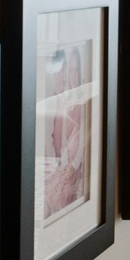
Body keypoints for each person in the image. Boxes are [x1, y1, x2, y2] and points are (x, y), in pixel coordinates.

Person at [44, 47, 87, 215]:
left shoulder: (80, 102)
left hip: (72, 165)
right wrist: (59, 164)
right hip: (59, 163)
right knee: (51, 200)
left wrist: (72, 165)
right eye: (69, 71)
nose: (70, 75)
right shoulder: (60, 101)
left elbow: (82, 137)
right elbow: (55, 139)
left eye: (75, 70)